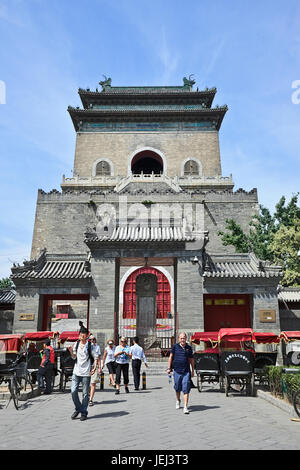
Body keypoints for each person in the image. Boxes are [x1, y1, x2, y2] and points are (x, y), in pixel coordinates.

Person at [68, 322, 98, 421]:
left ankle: (83, 412)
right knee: (73, 391)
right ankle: (78, 408)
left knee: (85, 394)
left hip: (86, 373)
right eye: (80, 334)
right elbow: (73, 357)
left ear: (87, 335)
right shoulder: (76, 344)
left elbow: (96, 357)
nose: (82, 336)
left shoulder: (90, 345)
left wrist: (94, 368)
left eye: (84, 335)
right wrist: (71, 351)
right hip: (76, 372)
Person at [167, 332, 194, 414]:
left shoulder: (189, 348)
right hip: (177, 371)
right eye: (181, 338)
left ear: (186, 339)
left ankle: (185, 406)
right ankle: (178, 400)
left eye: (184, 338)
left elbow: (191, 360)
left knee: (186, 388)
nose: (182, 340)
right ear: (179, 339)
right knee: (178, 387)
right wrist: (169, 368)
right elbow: (171, 357)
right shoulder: (175, 347)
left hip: (186, 372)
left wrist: (193, 370)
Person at [89, 335, 102, 407]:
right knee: (87, 384)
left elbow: (99, 358)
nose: (92, 341)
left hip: (94, 366)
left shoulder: (97, 347)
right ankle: (89, 394)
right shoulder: (87, 346)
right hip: (87, 367)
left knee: (93, 383)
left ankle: (91, 399)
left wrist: (99, 367)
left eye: (93, 339)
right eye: (90, 340)